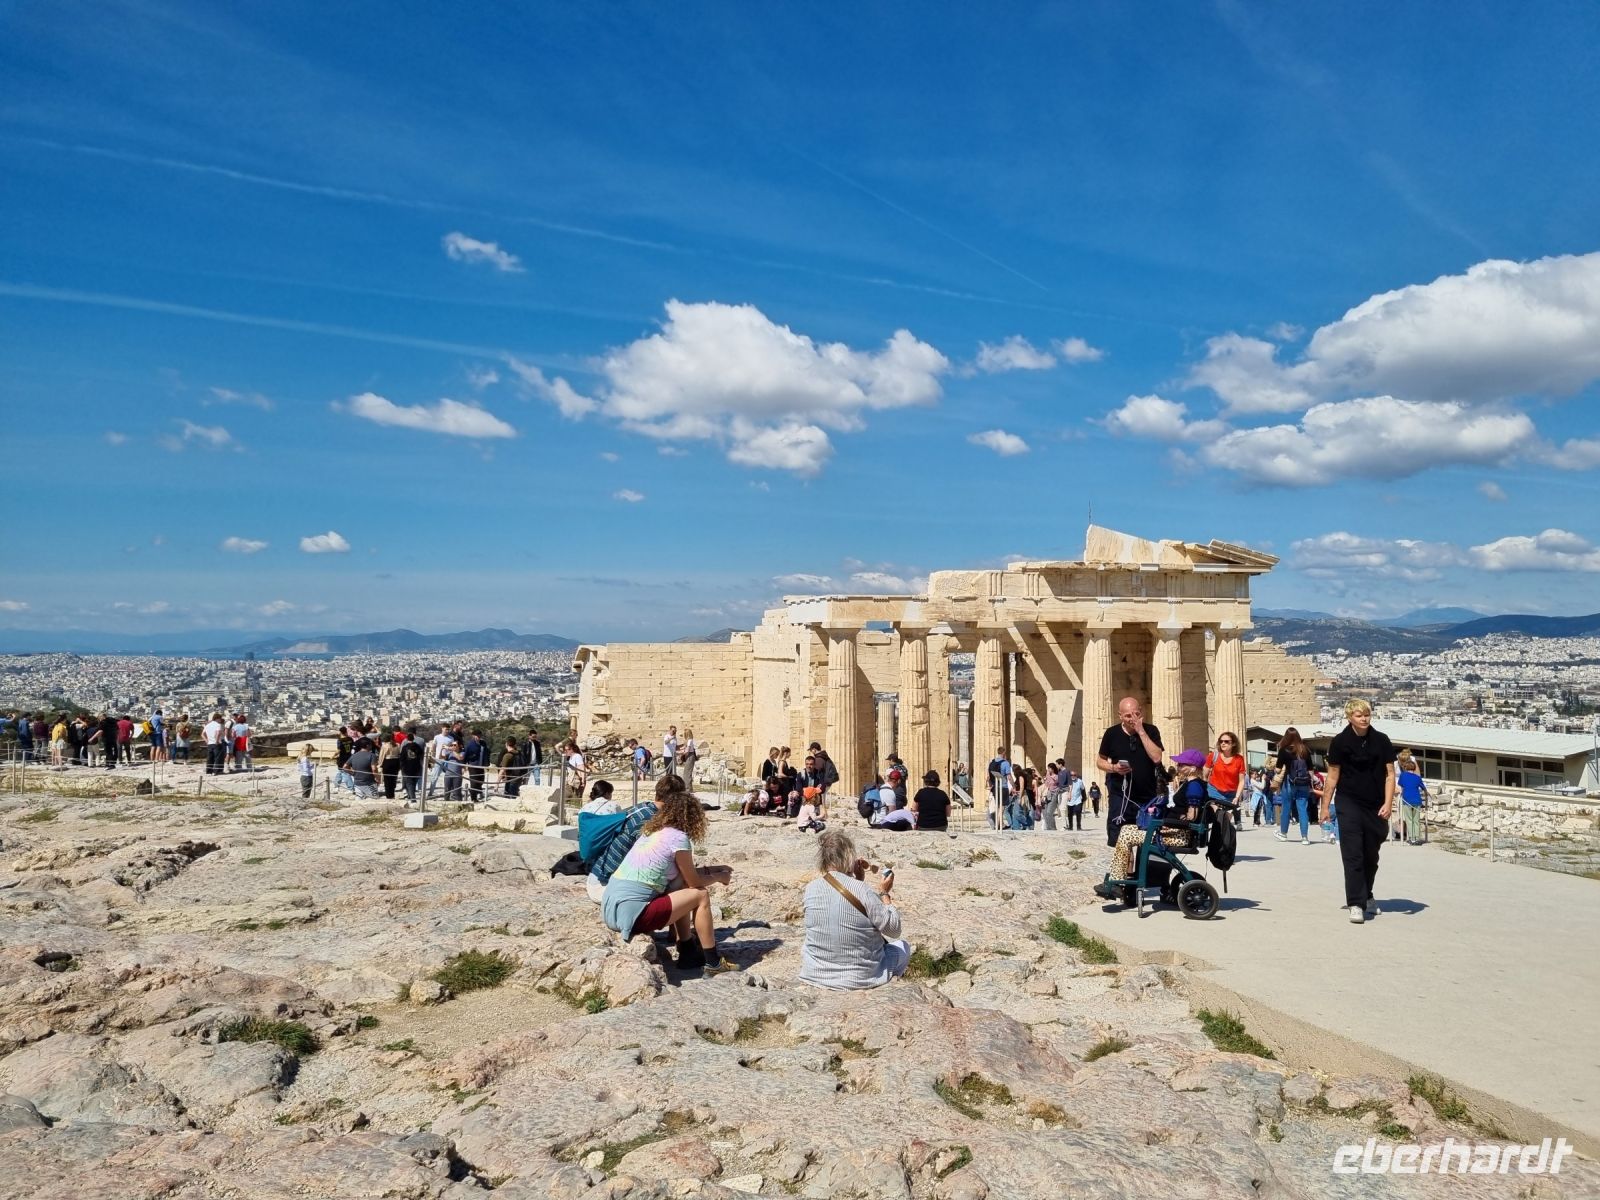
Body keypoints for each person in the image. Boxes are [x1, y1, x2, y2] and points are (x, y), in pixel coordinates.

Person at [601, 787, 736, 974]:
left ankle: (688, 952)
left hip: (612, 910)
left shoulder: (651, 832)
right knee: (701, 895)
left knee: (680, 887)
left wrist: (714, 869)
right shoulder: (678, 839)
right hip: (633, 915)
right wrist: (720, 877)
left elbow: (683, 875)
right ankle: (713, 963)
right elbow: (695, 882)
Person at [798, 830, 909, 990]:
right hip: (860, 977)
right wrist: (884, 893)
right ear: (848, 857)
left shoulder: (811, 888)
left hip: (816, 973)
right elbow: (893, 929)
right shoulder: (862, 890)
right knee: (903, 947)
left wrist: (857, 879)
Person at [1325, 699, 1397, 924]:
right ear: (1349, 718)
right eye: (1359, 715)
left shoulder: (1381, 740)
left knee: (1370, 855)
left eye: (1366, 714)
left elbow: (1390, 775)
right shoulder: (1340, 742)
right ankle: (1356, 903)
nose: (1364, 719)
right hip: (1348, 801)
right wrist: (1325, 806)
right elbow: (1332, 776)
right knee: (1353, 853)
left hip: (1375, 802)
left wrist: (1388, 803)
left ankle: (1367, 894)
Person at [1097, 697, 1165, 847]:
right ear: (1120, 716)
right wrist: (1114, 768)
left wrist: (1141, 732)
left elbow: (1157, 757)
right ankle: (1127, 864)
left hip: (1147, 796)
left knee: (1147, 841)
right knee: (1121, 842)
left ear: (1141, 712)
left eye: (1136, 714)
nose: (1132, 719)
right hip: (1120, 796)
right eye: (1128, 715)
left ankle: (1141, 864)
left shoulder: (1151, 731)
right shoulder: (1111, 734)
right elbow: (1100, 761)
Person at [1273, 727, 1316, 845]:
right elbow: (1310, 769)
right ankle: (1305, 837)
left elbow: (1278, 769)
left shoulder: (1284, 750)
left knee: (1286, 808)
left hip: (1289, 782)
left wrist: (1276, 768)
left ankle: (1283, 833)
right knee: (1302, 809)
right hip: (1303, 783)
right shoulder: (1305, 749)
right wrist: (1311, 783)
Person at [1203, 732, 1248, 810]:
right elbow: (1204, 775)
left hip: (1231, 795)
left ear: (1233, 743)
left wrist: (1237, 796)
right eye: (1221, 741)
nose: (1223, 743)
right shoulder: (1213, 756)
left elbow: (1241, 781)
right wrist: (1205, 790)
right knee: (1216, 815)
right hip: (1214, 791)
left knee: (1227, 817)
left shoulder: (1239, 759)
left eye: (1226, 741)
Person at [1397, 753, 1428, 844]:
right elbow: (1423, 788)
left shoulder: (1403, 775)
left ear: (1405, 768)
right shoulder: (1418, 777)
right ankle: (1417, 838)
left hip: (1406, 800)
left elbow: (1401, 786)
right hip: (1417, 800)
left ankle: (1412, 838)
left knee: (1409, 820)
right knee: (1416, 820)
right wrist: (1427, 794)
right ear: (1414, 768)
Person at [985, 746, 1011, 829]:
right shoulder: (1005, 763)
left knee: (997, 806)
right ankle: (999, 825)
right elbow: (1009, 777)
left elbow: (988, 776)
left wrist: (990, 785)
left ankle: (1000, 824)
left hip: (995, 787)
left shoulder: (992, 763)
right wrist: (1013, 786)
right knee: (1002, 807)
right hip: (1003, 787)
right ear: (1004, 753)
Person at [399, 731, 425, 805]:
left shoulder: (405, 747)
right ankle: (410, 797)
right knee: (412, 783)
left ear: (407, 739)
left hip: (407, 767)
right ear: (413, 739)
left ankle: (413, 800)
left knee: (409, 784)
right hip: (416, 767)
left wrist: (401, 767)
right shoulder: (418, 747)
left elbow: (402, 758)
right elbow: (421, 756)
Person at [379, 732, 403, 799]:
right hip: (396, 762)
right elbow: (400, 754)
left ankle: (388, 795)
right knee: (393, 778)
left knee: (387, 779)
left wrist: (380, 764)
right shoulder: (398, 745)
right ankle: (392, 793)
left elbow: (381, 756)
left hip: (387, 762)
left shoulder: (385, 746)